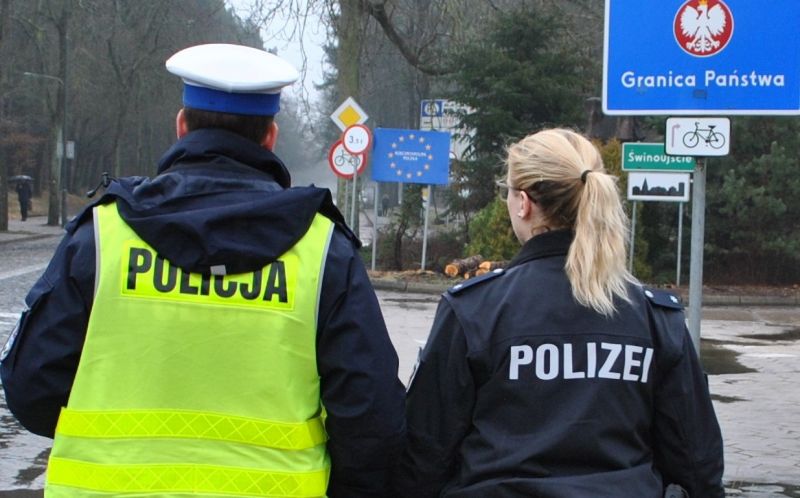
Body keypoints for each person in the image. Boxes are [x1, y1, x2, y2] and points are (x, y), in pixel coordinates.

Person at [1, 43, 405, 498]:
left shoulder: (102, 235)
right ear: (270, 137)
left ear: (181, 126)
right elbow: (373, 420)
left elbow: (31, 391)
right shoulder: (323, 250)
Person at [394, 128, 724, 497]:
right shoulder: (653, 317)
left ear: (523, 203)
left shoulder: (475, 309)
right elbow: (697, 462)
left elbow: (423, 457)